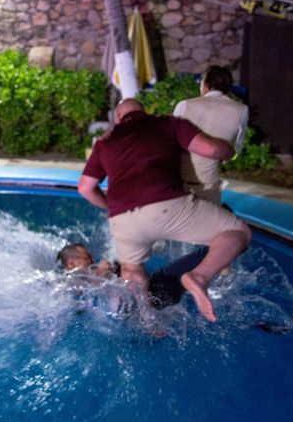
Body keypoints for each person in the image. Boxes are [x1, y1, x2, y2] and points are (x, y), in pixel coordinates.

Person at [77, 98, 251, 323]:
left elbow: (85, 188)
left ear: (118, 118)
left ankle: (148, 322)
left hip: (123, 220)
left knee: (132, 271)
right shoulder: (168, 123)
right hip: (168, 206)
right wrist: (230, 152)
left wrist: (111, 205)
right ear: (145, 112)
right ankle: (199, 276)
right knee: (239, 232)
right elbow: (211, 149)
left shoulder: (105, 142)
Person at [174, 66, 249, 205]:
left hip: (179, 184)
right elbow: (235, 151)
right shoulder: (242, 110)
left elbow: (169, 144)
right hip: (210, 186)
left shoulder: (184, 105)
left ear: (205, 85)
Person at [57, 243, 208, 308]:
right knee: (171, 276)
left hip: (137, 306)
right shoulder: (72, 280)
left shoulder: (74, 280)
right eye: (86, 257)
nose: (91, 259)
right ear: (71, 264)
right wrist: (102, 271)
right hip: (149, 301)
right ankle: (217, 249)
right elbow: (91, 290)